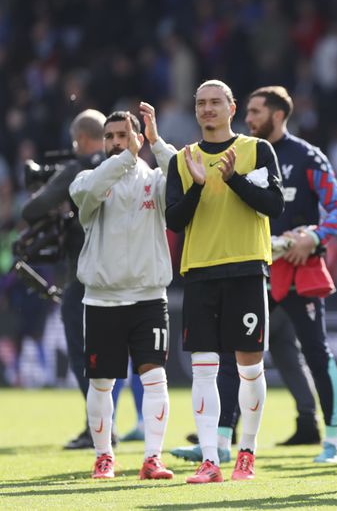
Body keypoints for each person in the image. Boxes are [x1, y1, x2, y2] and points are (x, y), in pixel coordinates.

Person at [172, 86, 337, 463]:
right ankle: (222, 437)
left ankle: (333, 437)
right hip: (255, 265)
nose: (248, 118)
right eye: (246, 111)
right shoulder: (240, 150)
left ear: (278, 115)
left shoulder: (307, 157)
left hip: (298, 268)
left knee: (315, 351)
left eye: (255, 112)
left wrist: (315, 235)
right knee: (251, 354)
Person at [165, 79, 284, 483]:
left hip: (247, 269)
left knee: (250, 369)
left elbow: (274, 206)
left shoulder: (256, 150)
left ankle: (246, 453)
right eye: (201, 103)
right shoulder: (182, 161)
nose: (207, 109)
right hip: (199, 272)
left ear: (232, 107)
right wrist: (198, 187)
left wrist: (233, 179)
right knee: (203, 370)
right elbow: (173, 221)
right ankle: (211, 460)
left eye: (216, 102)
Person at [68, 108, 175, 479]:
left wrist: (156, 142)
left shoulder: (157, 179)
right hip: (103, 298)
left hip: (149, 296)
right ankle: (104, 457)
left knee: (155, 377)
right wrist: (128, 156)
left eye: (123, 134)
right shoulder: (87, 179)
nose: (115, 142)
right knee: (101, 382)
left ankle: (152, 458)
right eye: (109, 136)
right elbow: (91, 191)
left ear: (137, 136)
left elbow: (183, 181)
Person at [21, 109, 123, 449]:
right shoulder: (124, 167)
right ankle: (105, 424)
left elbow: (32, 209)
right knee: (120, 353)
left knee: (84, 352)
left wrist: (59, 194)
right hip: (124, 270)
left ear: (79, 138)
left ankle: (100, 427)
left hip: (84, 272)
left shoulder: (77, 169)